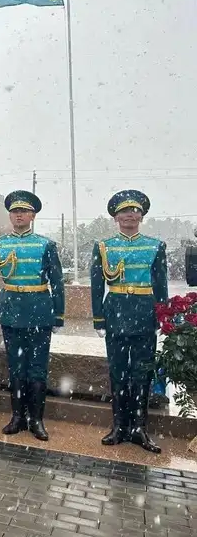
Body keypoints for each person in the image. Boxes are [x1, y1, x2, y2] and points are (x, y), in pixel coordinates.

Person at [0, 191, 64, 441]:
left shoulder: (46, 244)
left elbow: (57, 282)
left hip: (39, 311)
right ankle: (17, 417)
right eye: (15, 212)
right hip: (12, 312)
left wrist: (58, 316)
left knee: (37, 370)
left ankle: (36, 420)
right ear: (10, 216)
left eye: (24, 211)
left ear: (32, 216)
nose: (19, 215)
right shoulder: (0, 245)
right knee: (15, 368)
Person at [91, 190, 167, 454]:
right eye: (124, 211)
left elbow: (160, 285)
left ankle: (140, 429)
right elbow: (96, 285)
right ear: (115, 217)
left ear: (142, 215)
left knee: (142, 374)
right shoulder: (103, 246)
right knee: (118, 374)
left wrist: (162, 316)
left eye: (134, 211)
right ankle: (119, 427)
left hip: (145, 315)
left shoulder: (155, 246)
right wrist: (98, 320)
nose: (129, 215)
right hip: (116, 315)